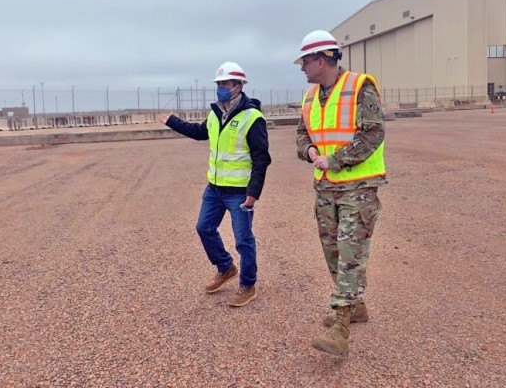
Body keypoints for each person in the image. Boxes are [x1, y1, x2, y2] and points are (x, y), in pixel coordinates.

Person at [294, 30, 386, 356]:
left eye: (305, 61)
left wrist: (333, 159)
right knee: (332, 250)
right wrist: (309, 153)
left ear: (321, 60)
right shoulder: (309, 98)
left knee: (349, 251)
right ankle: (356, 305)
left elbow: (373, 134)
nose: (302, 68)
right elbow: (302, 135)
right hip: (325, 188)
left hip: (357, 187)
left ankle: (341, 327)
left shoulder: (361, 88)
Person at [158, 62, 271, 307]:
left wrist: (254, 193)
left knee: (243, 240)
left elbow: (262, 158)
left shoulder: (252, 117)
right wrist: (173, 121)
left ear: (239, 86)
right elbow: (200, 132)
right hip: (215, 189)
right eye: (219, 83)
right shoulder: (215, 113)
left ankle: (248, 285)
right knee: (204, 228)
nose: (221, 88)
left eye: (226, 83)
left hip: (239, 193)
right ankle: (225, 267)